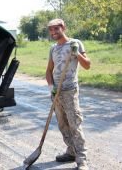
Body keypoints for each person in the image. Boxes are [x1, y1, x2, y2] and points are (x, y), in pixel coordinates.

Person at [45, 19, 91, 170]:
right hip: (56, 93)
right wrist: (51, 87)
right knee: (63, 125)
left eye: (56, 29)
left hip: (70, 91)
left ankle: (82, 160)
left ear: (63, 27)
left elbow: (87, 66)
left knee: (74, 125)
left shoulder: (75, 43)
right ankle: (71, 152)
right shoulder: (53, 48)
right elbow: (48, 70)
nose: (53, 32)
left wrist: (76, 52)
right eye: (51, 30)